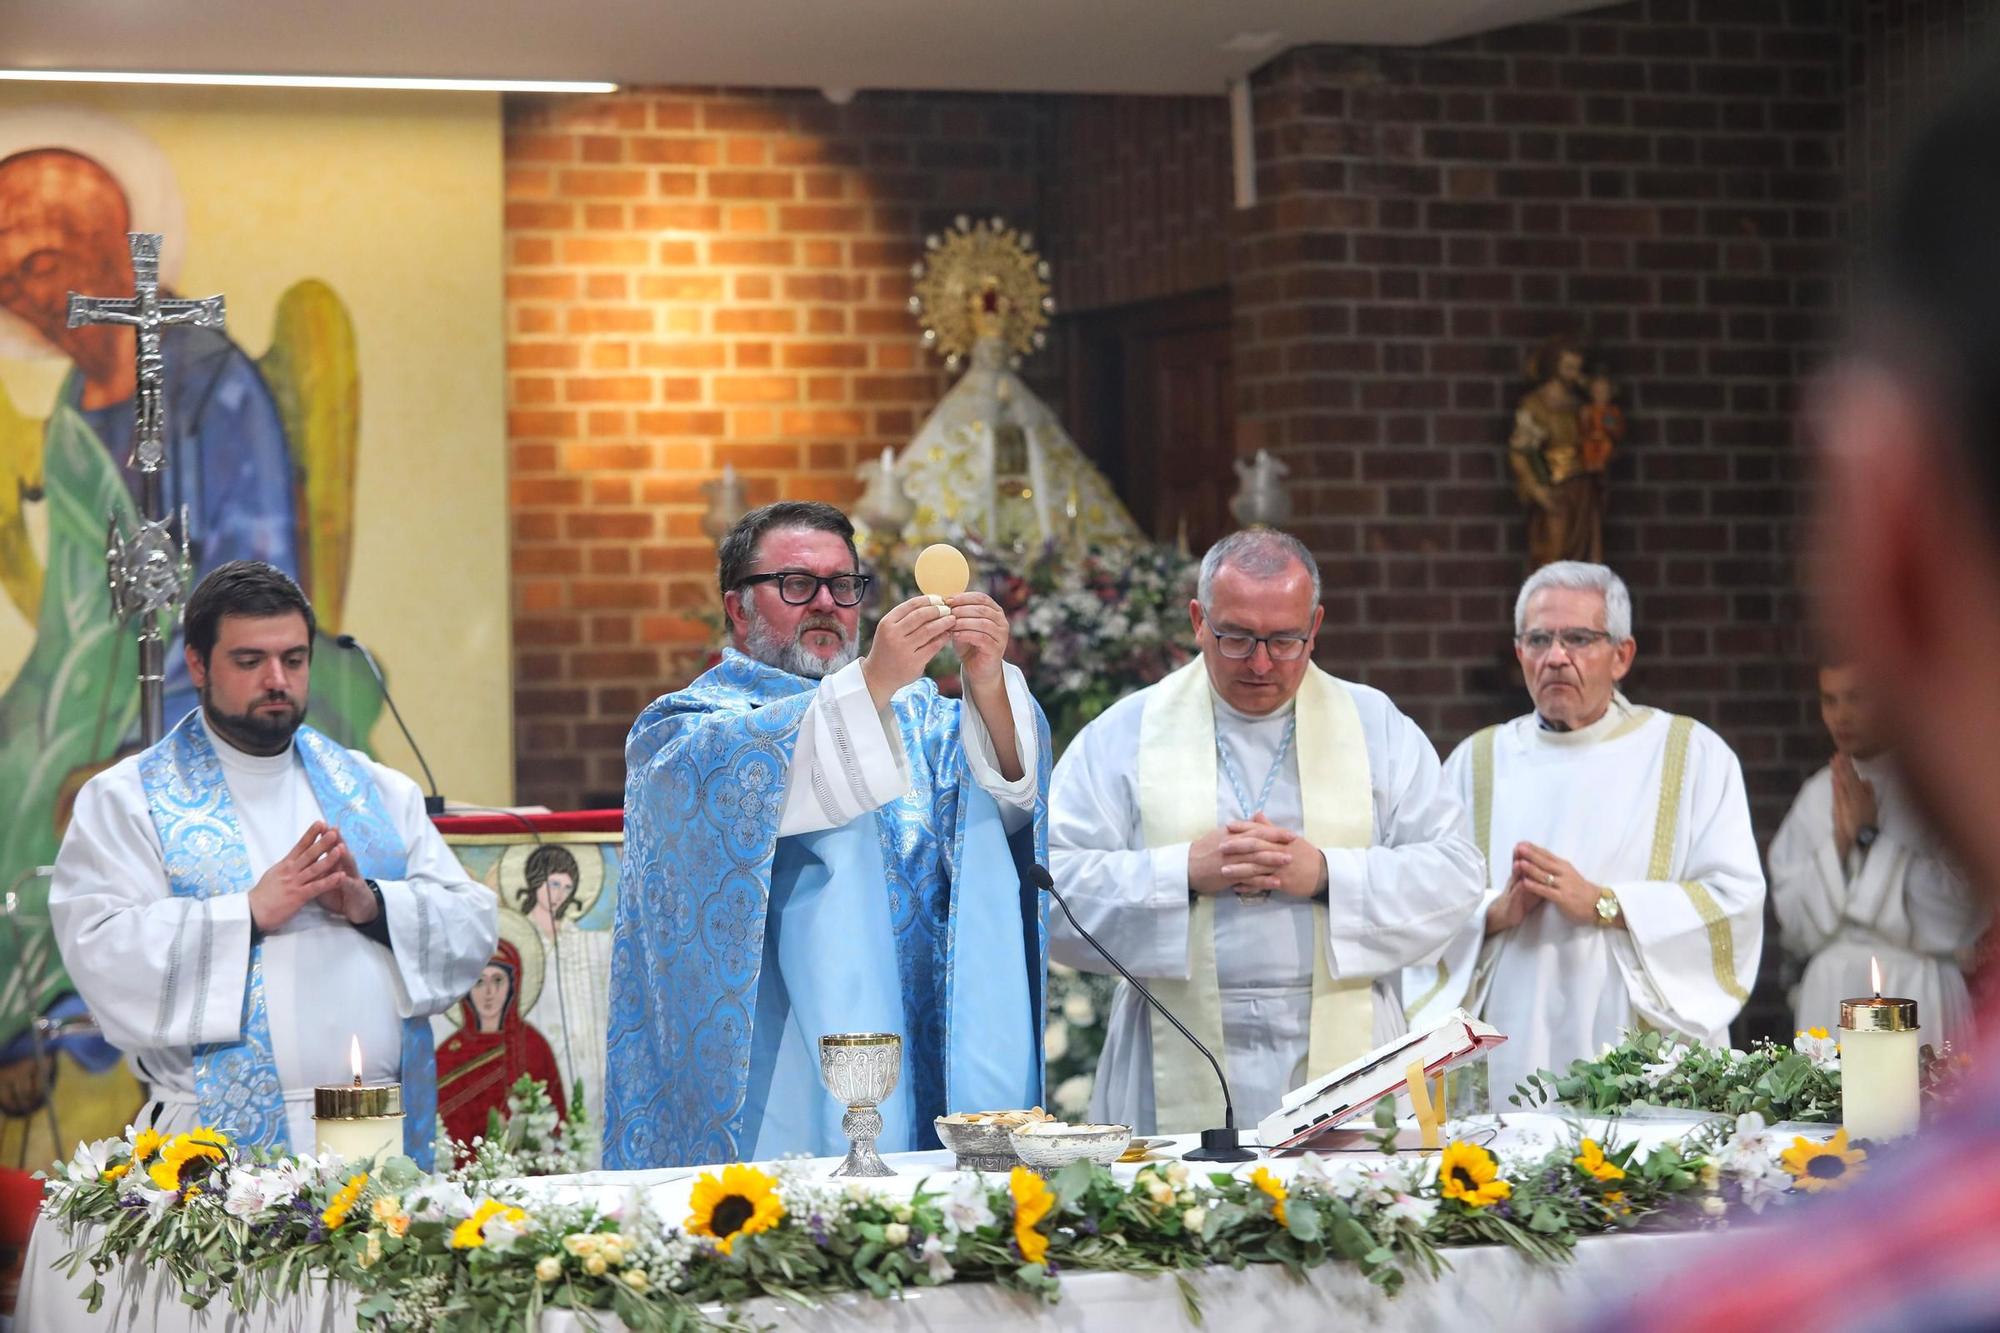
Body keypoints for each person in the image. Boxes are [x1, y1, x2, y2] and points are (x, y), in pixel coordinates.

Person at [1591, 57, 2000, 1331]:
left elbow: (1920, 906)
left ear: (1881, 539)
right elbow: (1795, 905)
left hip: (1917, 1000)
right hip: (1839, 1001)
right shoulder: (1811, 787)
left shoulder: (1778, 1305)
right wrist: (1832, 826)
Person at [606, 501, 1049, 1169]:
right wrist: (871, 681)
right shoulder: (683, 730)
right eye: (796, 584)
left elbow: (1009, 806)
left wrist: (985, 680)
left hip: (932, 1058)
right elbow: (753, 775)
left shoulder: (920, 715)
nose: (826, 604)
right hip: (777, 1088)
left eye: (843, 585)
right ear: (736, 606)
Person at [46, 561, 495, 1165]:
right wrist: (249, 913)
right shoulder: (128, 800)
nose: (277, 679)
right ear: (200, 665)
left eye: (295, 659)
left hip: (378, 1128)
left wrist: (374, 907)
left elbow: (471, 923)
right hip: (209, 1140)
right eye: (250, 661)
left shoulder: (376, 789)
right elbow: (100, 950)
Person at [1047, 529, 1483, 1135]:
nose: (1259, 663)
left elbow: (1457, 874)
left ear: (1316, 625)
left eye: (1284, 641)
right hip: (1172, 1042)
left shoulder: (1375, 726)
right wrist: (1182, 873)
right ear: (1199, 620)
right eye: (1237, 638)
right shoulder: (1125, 733)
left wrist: (1329, 874)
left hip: (1347, 1049)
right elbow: (1048, 888)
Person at [1403, 561, 1765, 1106]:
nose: (1556, 656)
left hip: (1631, 1028)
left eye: (1577, 639)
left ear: (1622, 655)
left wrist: (1605, 903)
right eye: (1539, 639)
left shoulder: (1691, 755)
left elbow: (1734, 902)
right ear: (1519, 652)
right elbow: (1419, 904)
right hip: (1511, 1033)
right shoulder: (1476, 762)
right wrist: (1491, 914)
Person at [0, 147, 299, 726]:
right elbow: (75, 606)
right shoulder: (73, 405)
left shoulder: (214, 382)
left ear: (107, 246)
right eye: (5, 285)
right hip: (97, 696)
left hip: (198, 699)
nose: (27, 301)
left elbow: (257, 589)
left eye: (38, 265)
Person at [1770, 664, 1985, 1044]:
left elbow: (1963, 906)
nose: (1842, 715)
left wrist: (1870, 837)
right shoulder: (1816, 796)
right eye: (1830, 700)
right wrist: (1838, 845)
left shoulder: (1937, 791)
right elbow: (1793, 923)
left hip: (1919, 984)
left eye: (1856, 697)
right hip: (1831, 991)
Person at [435, 937, 566, 1152]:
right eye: (479, 981)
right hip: (462, 1176)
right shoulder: (448, 1054)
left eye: (497, 980)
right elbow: (440, 1130)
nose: (489, 992)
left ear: (512, 986)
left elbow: (556, 1121)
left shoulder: (533, 1045)